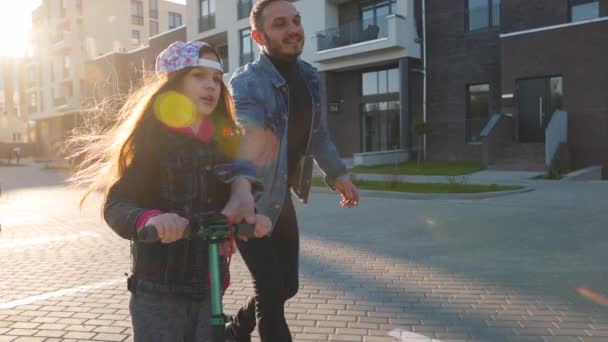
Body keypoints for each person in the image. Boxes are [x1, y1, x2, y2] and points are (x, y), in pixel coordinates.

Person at [69, 41, 271, 342]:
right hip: (159, 290)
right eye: (198, 76)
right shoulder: (153, 140)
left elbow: (240, 174)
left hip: (208, 286)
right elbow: (117, 204)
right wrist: (150, 219)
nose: (211, 86)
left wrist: (250, 212)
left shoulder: (223, 137)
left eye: (216, 79)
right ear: (174, 82)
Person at [224, 1, 360, 341]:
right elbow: (246, 134)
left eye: (296, 21)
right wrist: (244, 194)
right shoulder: (247, 82)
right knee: (271, 294)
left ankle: (237, 328)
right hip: (249, 199)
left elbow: (317, 135)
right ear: (258, 36)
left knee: (288, 284)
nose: (293, 29)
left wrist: (338, 174)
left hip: (280, 198)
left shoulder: (311, 77)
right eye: (280, 24)